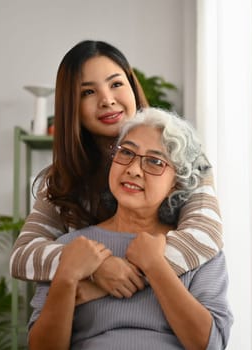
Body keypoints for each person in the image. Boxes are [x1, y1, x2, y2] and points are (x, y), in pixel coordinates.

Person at [10, 40, 223, 298]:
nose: (107, 100)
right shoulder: (60, 178)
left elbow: (204, 236)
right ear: (71, 107)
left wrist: (106, 282)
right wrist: (96, 267)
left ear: (132, 87)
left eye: (116, 84)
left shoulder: (187, 159)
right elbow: (22, 256)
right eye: (87, 92)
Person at [27, 107, 233, 349]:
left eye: (155, 162)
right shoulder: (71, 249)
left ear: (176, 184)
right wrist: (66, 277)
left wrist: (155, 266)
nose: (133, 170)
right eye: (126, 153)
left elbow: (211, 344)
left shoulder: (200, 251)